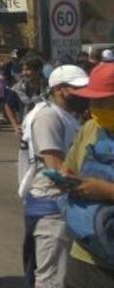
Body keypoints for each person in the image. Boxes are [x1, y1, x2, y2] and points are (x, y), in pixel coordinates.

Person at [16, 64, 89, 288]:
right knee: (52, 279)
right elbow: (56, 167)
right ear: (58, 89)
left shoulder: (68, 116)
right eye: (76, 89)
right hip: (52, 209)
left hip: (65, 204)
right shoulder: (47, 117)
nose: (84, 94)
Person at [60, 62, 114, 286]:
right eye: (93, 100)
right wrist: (66, 180)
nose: (96, 106)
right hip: (83, 253)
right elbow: (69, 167)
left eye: (105, 101)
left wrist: (106, 191)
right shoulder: (90, 128)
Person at [6, 57, 48, 137]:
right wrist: (15, 125)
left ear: (38, 70)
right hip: (25, 130)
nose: (24, 73)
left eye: (28, 69)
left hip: (45, 127)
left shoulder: (49, 88)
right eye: (23, 70)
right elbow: (8, 106)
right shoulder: (18, 88)